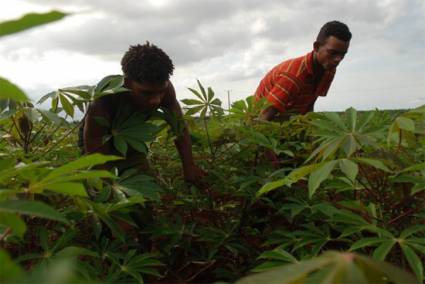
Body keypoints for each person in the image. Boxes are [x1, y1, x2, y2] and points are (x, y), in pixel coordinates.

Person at [83, 42, 205, 184]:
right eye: (147, 93)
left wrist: (189, 167)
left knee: (148, 191)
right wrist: (104, 183)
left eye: (161, 92)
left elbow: (179, 128)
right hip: (98, 140)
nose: (156, 100)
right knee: (101, 187)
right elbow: (94, 138)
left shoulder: (166, 89)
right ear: (127, 82)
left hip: (130, 138)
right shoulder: (106, 95)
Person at [255, 21, 352, 121]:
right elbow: (263, 117)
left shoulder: (329, 70)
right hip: (262, 121)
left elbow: (310, 104)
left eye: (342, 54)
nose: (338, 59)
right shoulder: (293, 74)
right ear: (317, 47)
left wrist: (308, 128)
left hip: (290, 120)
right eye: (332, 52)